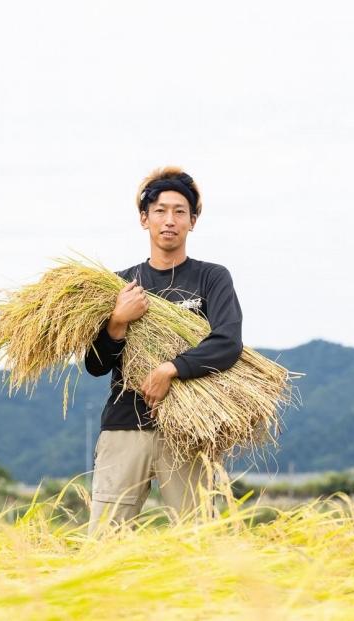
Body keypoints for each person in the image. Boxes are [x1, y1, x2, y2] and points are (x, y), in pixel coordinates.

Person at [84, 165, 244, 536]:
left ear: (192, 221)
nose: (169, 220)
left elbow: (228, 342)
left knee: (197, 539)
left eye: (179, 212)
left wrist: (170, 369)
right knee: (105, 540)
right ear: (144, 219)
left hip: (189, 430)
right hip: (126, 425)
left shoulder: (211, 277)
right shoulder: (120, 284)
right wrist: (117, 322)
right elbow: (95, 365)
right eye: (159, 211)